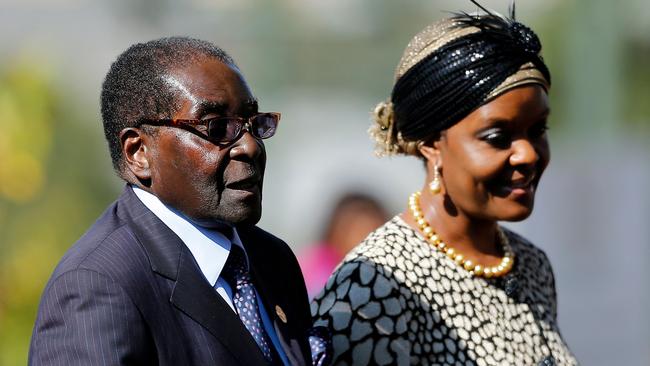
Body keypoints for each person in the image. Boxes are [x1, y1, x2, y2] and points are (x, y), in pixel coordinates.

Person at [311, 3, 578, 365]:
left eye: (538, 131)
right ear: (432, 145)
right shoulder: (374, 287)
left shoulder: (530, 266)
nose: (528, 154)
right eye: (498, 136)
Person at [29, 37, 316, 366]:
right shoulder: (99, 285)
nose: (249, 146)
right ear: (139, 152)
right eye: (217, 127)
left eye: (253, 123)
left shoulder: (270, 259)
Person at [298, 192, 388, 298]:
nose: (364, 241)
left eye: (373, 233)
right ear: (335, 232)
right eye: (357, 231)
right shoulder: (311, 270)